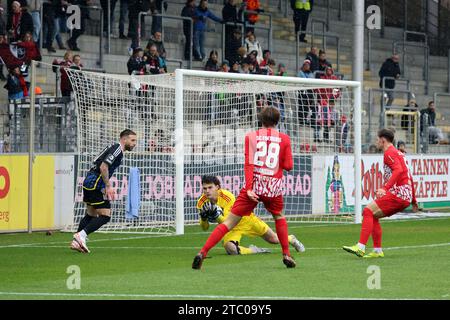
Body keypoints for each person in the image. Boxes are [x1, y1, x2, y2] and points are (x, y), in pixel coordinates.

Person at [192, 106, 298, 269]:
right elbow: (289, 166)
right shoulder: (284, 139)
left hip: (254, 185)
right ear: (277, 121)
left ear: (261, 120)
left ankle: (203, 252)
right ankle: (286, 254)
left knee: (228, 223)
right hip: (272, 187)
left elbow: (249, 163)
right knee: (279, 217)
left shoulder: (251, 137)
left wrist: (249, 188)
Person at [343, 128, 418, 258]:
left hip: (399, 193)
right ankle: (377, 250)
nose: (376, 142)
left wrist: (385, 188)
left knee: (367, 211)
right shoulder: (399, 153)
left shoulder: (389, 153)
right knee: (373, 215)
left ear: (383, 140)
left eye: (377, 139)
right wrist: (413, 200)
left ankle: (360, 247)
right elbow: (409, 176)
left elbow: (398, 171)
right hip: (405, 195)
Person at [197, 175, 305, 256]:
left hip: (246, 220)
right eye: (205, 188)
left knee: (274, 239)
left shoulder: (228, 197)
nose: (207, 191)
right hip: (232, 229)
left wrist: (216, 215)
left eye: (210, 187)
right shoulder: (201, 202)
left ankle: (291, 238)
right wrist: (203, 218)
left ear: (217, 187)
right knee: (231, 249)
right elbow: (204, 228)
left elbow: (229, 222)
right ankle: (255, 250)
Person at [71, 129, 138, 253]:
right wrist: (107, 186)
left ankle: (76, 242)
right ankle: (81, 236)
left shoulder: (113, 148)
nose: (135, 143)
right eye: (132, 140)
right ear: (124, 139)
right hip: (96, 183)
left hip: (89, 181)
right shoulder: (117, 149)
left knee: (91, 214)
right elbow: (103, 166)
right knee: (105, 215)